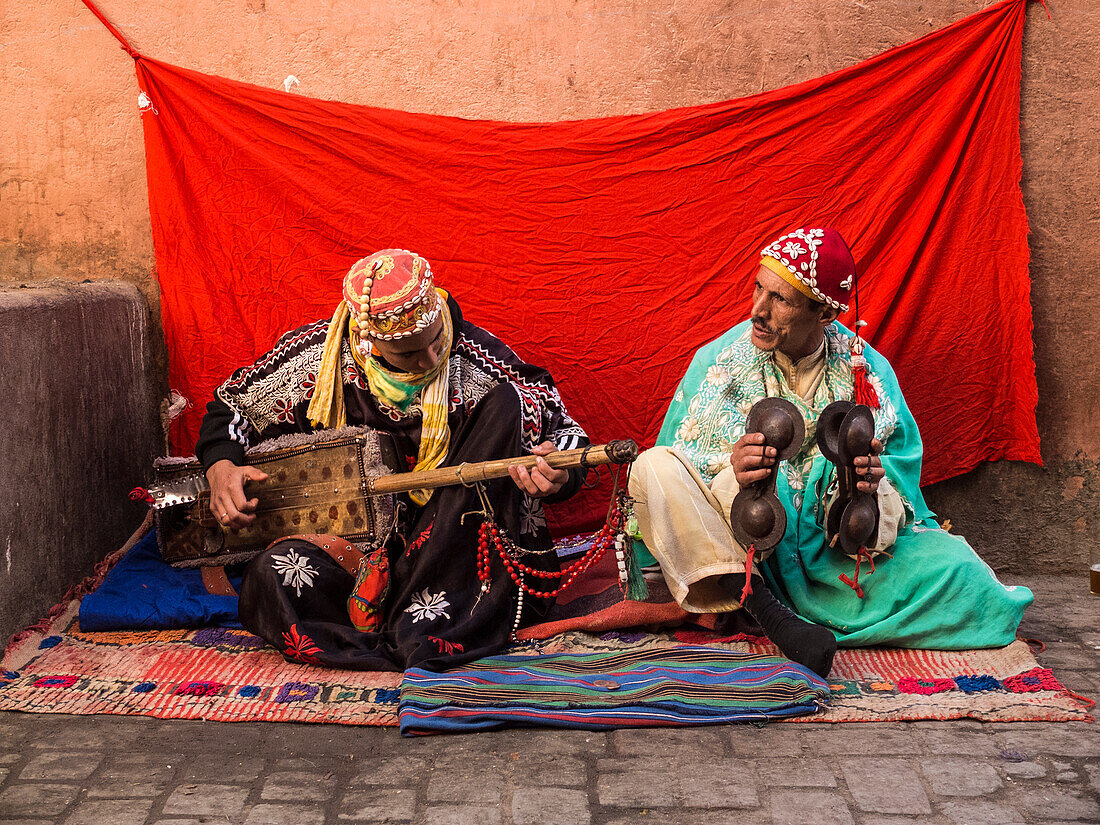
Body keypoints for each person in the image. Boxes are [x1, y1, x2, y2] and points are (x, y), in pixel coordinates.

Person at [628, 227, 1032, 678]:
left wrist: (871, 487)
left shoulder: (869, 373)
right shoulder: (716, 362)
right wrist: (733, 470)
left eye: (779, 299)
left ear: (824, 312)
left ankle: (738, 607)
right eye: (758, 288)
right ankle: (765, 608)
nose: (757, 310)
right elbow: (679, 470)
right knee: (652, 467)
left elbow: (901, 488)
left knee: (967, 580)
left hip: (837, 559)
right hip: (744, 548)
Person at [195, 249, 589, 671]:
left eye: (437, 340)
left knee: (506, 406)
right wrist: (221, 469)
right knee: (271, 576)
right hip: (356, 552)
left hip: (450, 545)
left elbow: (564, 434)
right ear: (367, 341)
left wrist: (558, 473)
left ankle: (415, 622)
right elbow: (231, 407)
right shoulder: (315, 360)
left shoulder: (479, 361)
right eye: (408, 354)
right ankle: (406, 621)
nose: (432, 360)